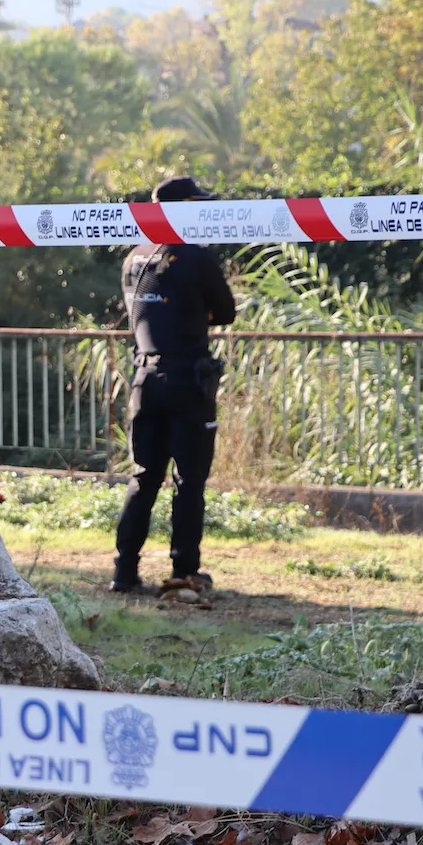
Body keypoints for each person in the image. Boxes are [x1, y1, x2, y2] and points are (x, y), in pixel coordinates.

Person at [110, 176, 236, 593]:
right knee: (188, 479)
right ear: (181, 208)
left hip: (143, 380)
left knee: (143, 476)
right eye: (196, 205)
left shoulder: (134, 258)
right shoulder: (196, 258)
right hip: (185, 381)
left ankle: (123, 572)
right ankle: (184, 571)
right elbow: (227, 312)